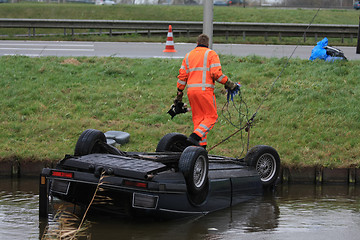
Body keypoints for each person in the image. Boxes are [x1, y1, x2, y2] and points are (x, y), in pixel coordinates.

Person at [175, 34, 238, 149]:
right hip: (205, 91)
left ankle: (200, 148)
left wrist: (179, 92)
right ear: (208, 44)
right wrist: (229, 83)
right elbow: (216, 74)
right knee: (211, 117)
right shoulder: (211, 54)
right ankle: (195, 136)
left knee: (199, 119)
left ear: (197, 42)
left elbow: (182, 77)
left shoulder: (188, 56)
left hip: (191, 92)